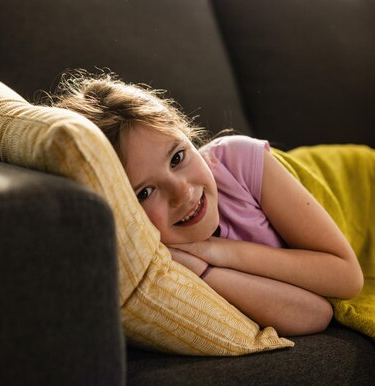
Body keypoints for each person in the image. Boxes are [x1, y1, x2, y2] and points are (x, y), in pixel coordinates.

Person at [52, 70, 364, 337]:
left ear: (189, 137)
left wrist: (216, 251)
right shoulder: (160, 260)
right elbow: (315, 314)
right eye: (145, 192)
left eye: (177, 157)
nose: (182, 192)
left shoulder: (237, 159)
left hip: (360, 183)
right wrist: (204, 270)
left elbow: (347, 277)